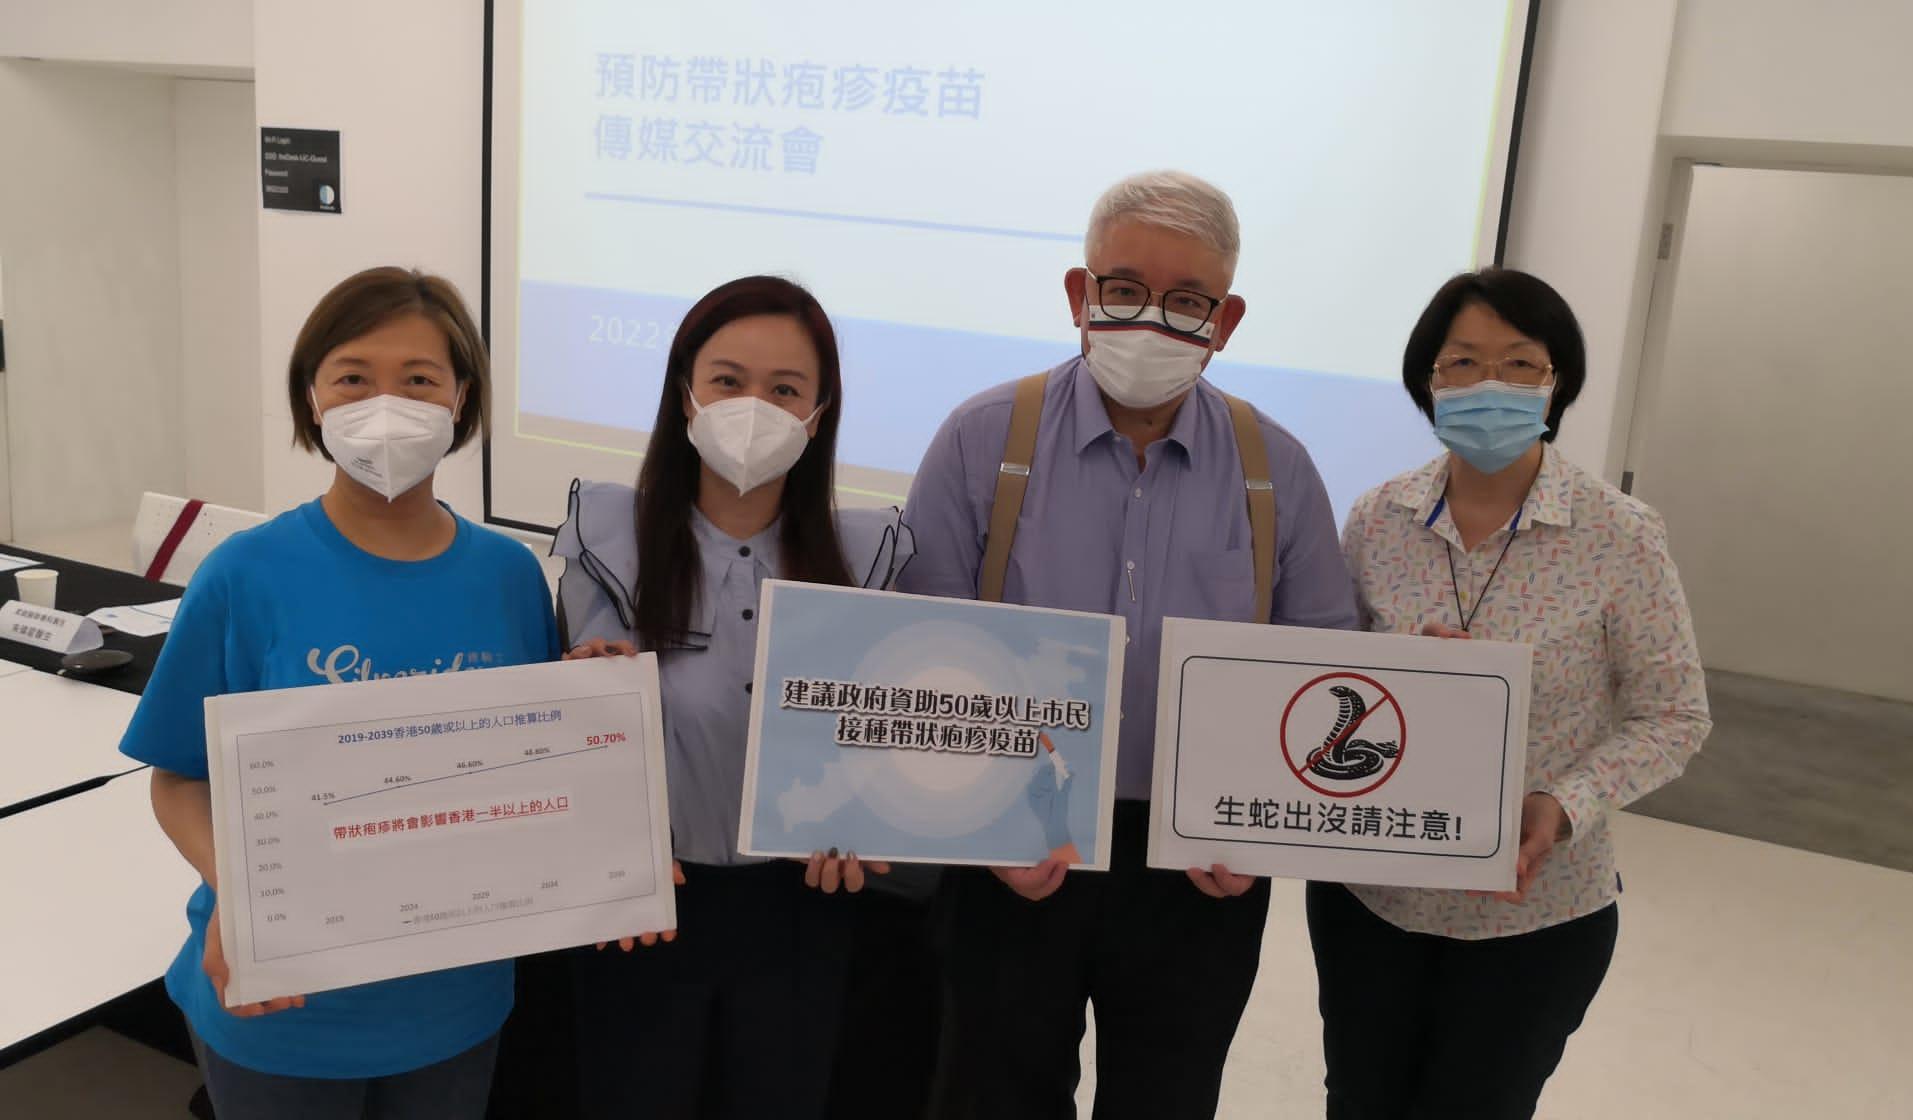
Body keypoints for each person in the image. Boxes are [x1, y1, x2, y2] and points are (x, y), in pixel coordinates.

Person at [897, 170, 1361, 1119]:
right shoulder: (982, 439)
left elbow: (1322, 668)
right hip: (1013, 832)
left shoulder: (1278, 468)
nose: (1151, 319)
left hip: (1200, 863)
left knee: (1168, 1096)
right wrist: (982, 821)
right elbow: (919, 645)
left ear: (1226, 320)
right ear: (1080, 294)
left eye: (1187, 300)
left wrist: (1262, 833)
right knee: (993, 1093)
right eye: (1123, 288)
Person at [120, 267, 560, 1117]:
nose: (385, 405)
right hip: (284, 1000)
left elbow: (537, 764)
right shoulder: (245, 575)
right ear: (312, 398)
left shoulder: (510, 577)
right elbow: (177, 777)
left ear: (462, 399)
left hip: (455, 998)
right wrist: (240, 892)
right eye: (354, 377)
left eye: (419, 379)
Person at [1308, 268, 1712, 1119]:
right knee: (1359, 1101)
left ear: (1556, 381)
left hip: (1535, 914)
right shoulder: (1377, 519)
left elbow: (1674, 714)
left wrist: (1564, 804)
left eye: (1520, 363)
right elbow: (1329, 679)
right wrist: (1400, 671)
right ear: (1428, 379)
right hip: (1372, 900)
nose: (1489, 384)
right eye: (1462, 362)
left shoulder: (1620, 535)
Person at [553, 275, 917, 1119]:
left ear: (818, 414)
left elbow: (885, 741)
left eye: (785, 389)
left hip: (802, 914)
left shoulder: (868, 556)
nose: (754, 407)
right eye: (727, 381)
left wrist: (869, 820)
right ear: (685, 392)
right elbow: (567, 741)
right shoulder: (605, 539)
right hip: (641, 911)